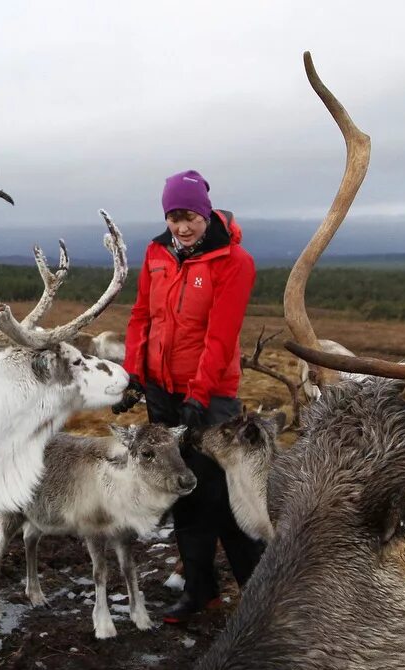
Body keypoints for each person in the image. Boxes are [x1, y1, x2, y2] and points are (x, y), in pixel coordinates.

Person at [112, 169, 263, 623]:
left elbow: (220, 336)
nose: (182, 226)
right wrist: (135, 376)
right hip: (162, 391)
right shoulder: (157, 253)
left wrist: (198, 397)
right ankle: (201, 592)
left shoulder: (234, 262)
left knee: (219, 494)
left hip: (210, 395)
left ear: (205, 213)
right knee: (182, 491)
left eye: (190, 217)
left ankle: (258, 598)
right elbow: (142, 316)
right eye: (174, 217)